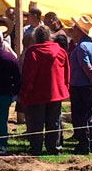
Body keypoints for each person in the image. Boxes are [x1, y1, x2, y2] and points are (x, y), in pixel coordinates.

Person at [20, 26, 69, 155]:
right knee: (54, 122)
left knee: (36, 122)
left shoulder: (33, 52)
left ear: (35, 37)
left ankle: (36, 148)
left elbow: (29, 73)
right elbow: (66, 71)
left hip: (37, 93)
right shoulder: (60, 51)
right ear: (49, 36)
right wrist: (65, 86)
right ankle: (54, 147)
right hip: (55, 92)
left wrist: (25, 90)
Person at [69, 15, 92, 154]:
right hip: (88, 85)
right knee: (88, 114)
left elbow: (85, 65)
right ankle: (90, 142)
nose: (72, 31)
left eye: (74, 28)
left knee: (79, 115)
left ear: (79, 30)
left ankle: (83, 144)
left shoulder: (82, 46)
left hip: (79, 86)